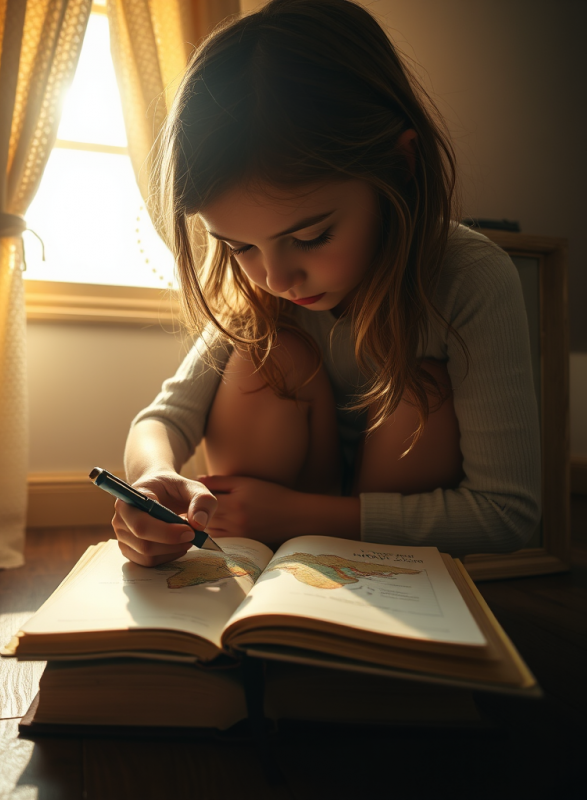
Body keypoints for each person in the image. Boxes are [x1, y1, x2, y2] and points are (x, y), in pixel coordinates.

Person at [112, 0, 541, 567]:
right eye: (239, 247)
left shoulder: (470, 277)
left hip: (382, 538)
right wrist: (153, 479)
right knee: (269, 357)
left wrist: (296, 515)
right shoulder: (263, 293)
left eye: (311, 236)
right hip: (274, 518)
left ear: (401, 165)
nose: (276, 277)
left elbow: (506, 513)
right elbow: (161, 421)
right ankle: (262, 572)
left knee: (422, 393)